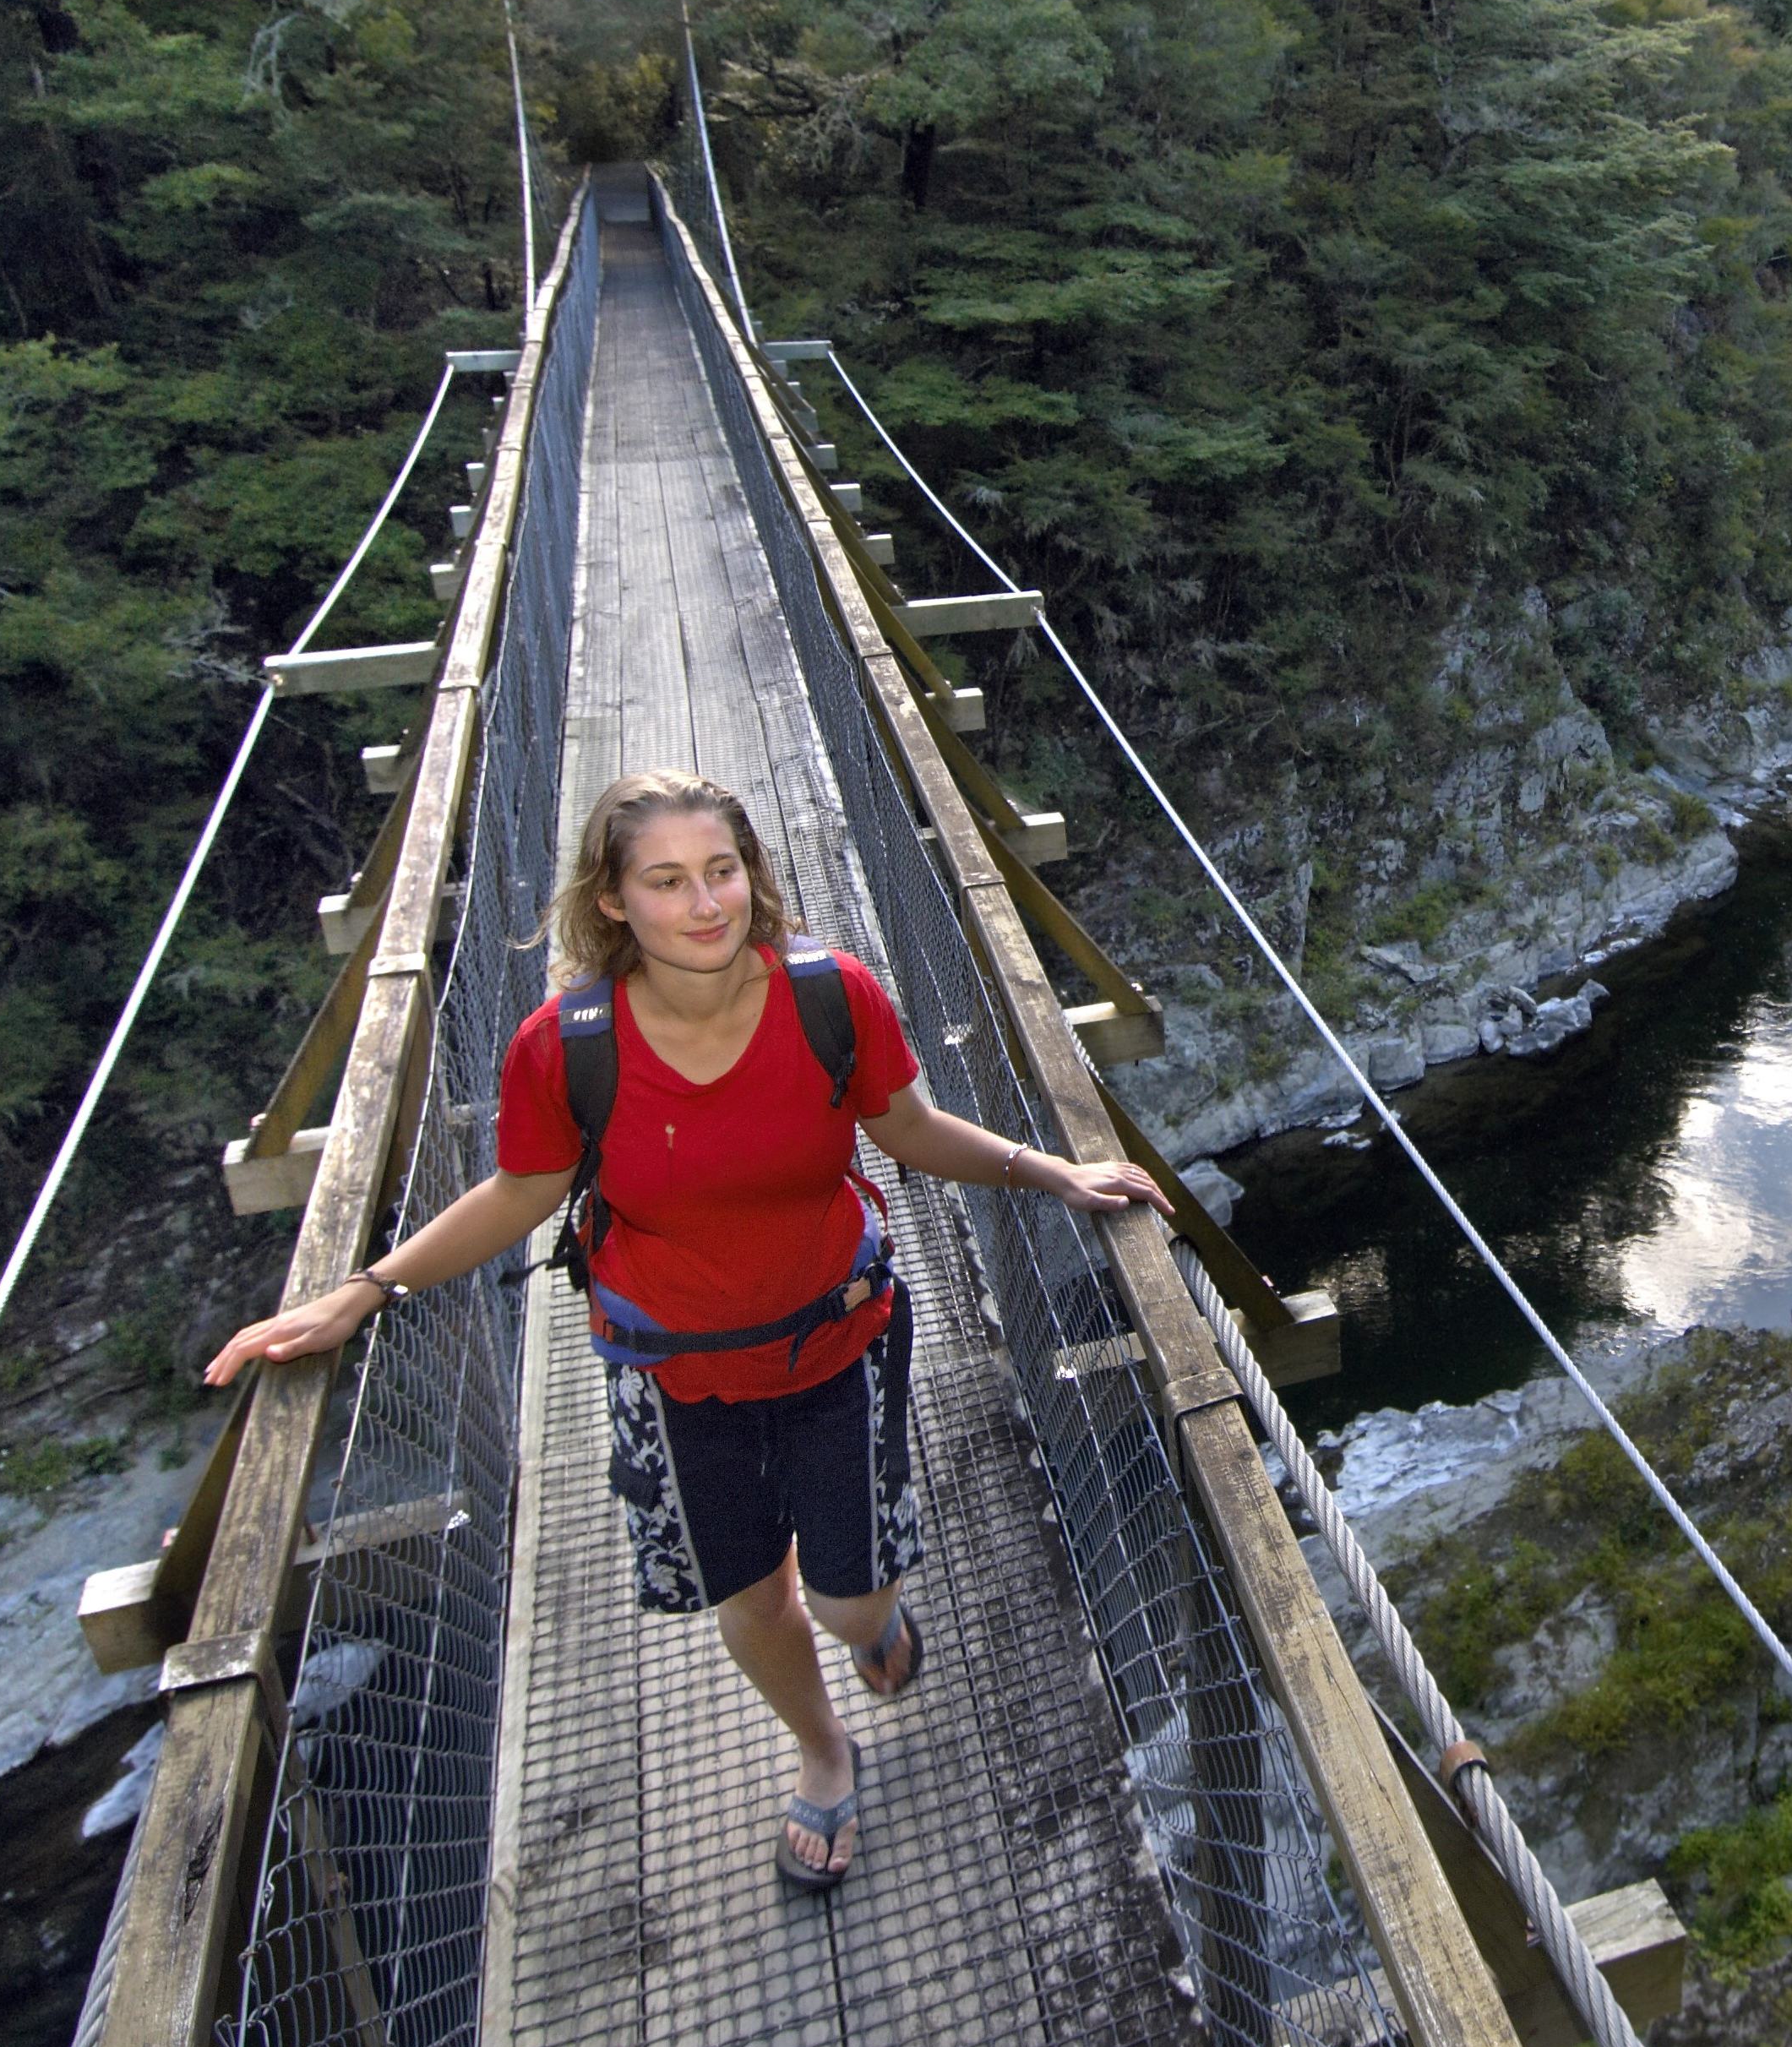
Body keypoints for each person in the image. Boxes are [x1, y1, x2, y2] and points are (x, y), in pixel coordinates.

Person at [204, 768, 1165, 1888]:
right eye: (667, 882)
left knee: (854, 1601)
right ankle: (822, 1752)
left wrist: (1053, 1174)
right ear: (612, 902)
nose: (707, 905)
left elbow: (905, 1127)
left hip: (839, 1340)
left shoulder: (829, 998)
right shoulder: (567, 1049)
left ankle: (863, 1631)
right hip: (676, 1378)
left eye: (722, 873)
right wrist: (362, 1291)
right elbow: (520, 1195)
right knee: (750, 1595)